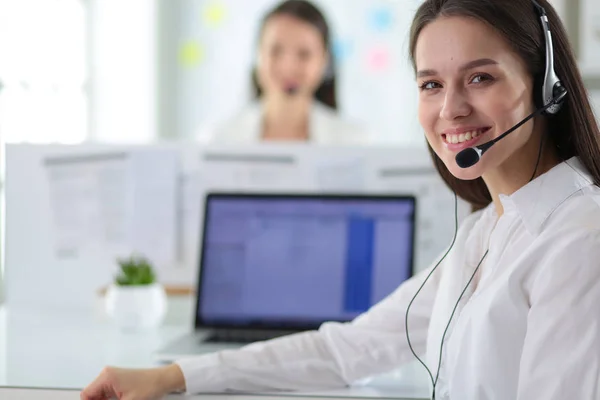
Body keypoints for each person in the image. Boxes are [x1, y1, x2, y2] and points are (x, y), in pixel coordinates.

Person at [81, 0, 600, 399]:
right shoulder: (488, 230)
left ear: (547, 85)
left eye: (480, 77)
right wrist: (172, 376)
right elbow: (347, 348)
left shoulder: (579, 236)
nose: (451, 109)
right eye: (431, 84)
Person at [199, 0, 368, 144]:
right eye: (275, 51)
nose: (288, 67)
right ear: (258, 54)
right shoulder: (218, 139)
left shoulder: (354, 141)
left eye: (304, 54)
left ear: (324, 60)